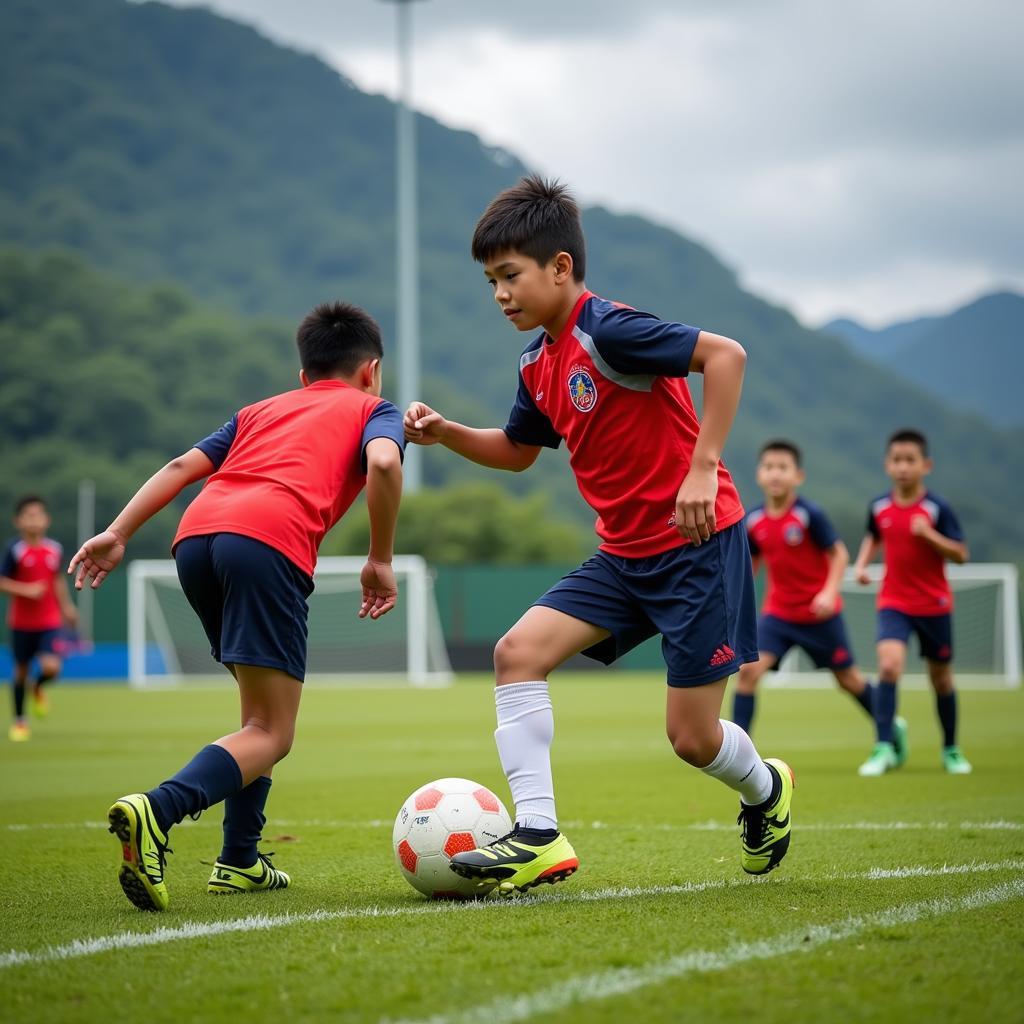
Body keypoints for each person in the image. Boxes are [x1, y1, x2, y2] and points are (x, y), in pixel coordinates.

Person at [404, 176, 794, 893]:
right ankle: (539, 834)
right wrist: (449, 433)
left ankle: (765, 788)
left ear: (560, 268)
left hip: (696, 550)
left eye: (511, 276)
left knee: (693, 739)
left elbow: (726, 356)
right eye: (491, 281)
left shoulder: (607, 328)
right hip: (623, 558)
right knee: (516, 654)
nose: (500, 294)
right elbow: (520, 451)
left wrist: (704, 466)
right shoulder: (537, 362)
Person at [69, 301, 405, 912]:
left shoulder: (259, 410)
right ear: (371, 371)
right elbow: (383, 461)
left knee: (256, 717)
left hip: (195, 539)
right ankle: (158, 809)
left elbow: (180, 466)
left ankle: (240, 859)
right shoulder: (372, 409)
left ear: (303, 375)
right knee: (273, 733)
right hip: (267, 542)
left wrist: (118, 532)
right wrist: (380, 558)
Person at [733, 441, 905, 770]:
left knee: (849, 681)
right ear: (758, 474)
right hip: (778, 615)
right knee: (748, 673)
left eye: (783, 468)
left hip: (819, 616)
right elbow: (750, 563)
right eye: (769, 467)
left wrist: (828, 592)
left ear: (798, 476)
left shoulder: (808, 514)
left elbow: (839, 554)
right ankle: (740, 757)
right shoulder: (753, 520)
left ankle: (890, 726)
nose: (775, 474)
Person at [852, 428, 971, 776]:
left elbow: (961, 554)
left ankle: (951, 749)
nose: (903, 467)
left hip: (934, 605)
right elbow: (874, 536)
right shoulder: (879, 506)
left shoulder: (937, 509)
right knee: (889, 666)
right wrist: (862, 565)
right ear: (887, 465)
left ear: (926, 465)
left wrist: (929, 535)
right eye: (896, 460)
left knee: (942, 680)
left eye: (910, 460)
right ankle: (883, 747)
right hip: (894, 601)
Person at [1, 495, 79, 741]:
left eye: (39, 515)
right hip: (21, 622)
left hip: (49, 621)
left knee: (51, 668)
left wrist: (66, 607)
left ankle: (38, 687)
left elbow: (56, 580)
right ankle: (20, 721)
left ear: (47, 520)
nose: (34, 520)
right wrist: (26, 590)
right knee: (21, 672)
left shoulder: (54, 549)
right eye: (29, 515)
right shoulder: (15, 550)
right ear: (18, 521)